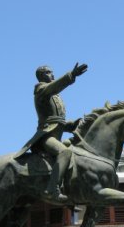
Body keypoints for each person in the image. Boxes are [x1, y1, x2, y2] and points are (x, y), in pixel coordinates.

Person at [14, 62, 88, 203]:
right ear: (41, 76)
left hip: (57, 136)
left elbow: (56, 121)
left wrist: (72, 125)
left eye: (52, 72)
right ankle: (52, 189)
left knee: (76, 149)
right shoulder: (41, 89)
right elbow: (49, 122)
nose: (52, 75)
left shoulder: (55, 96)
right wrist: (71, 75)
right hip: (45, 138)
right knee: (65, 152)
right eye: (48, 73)